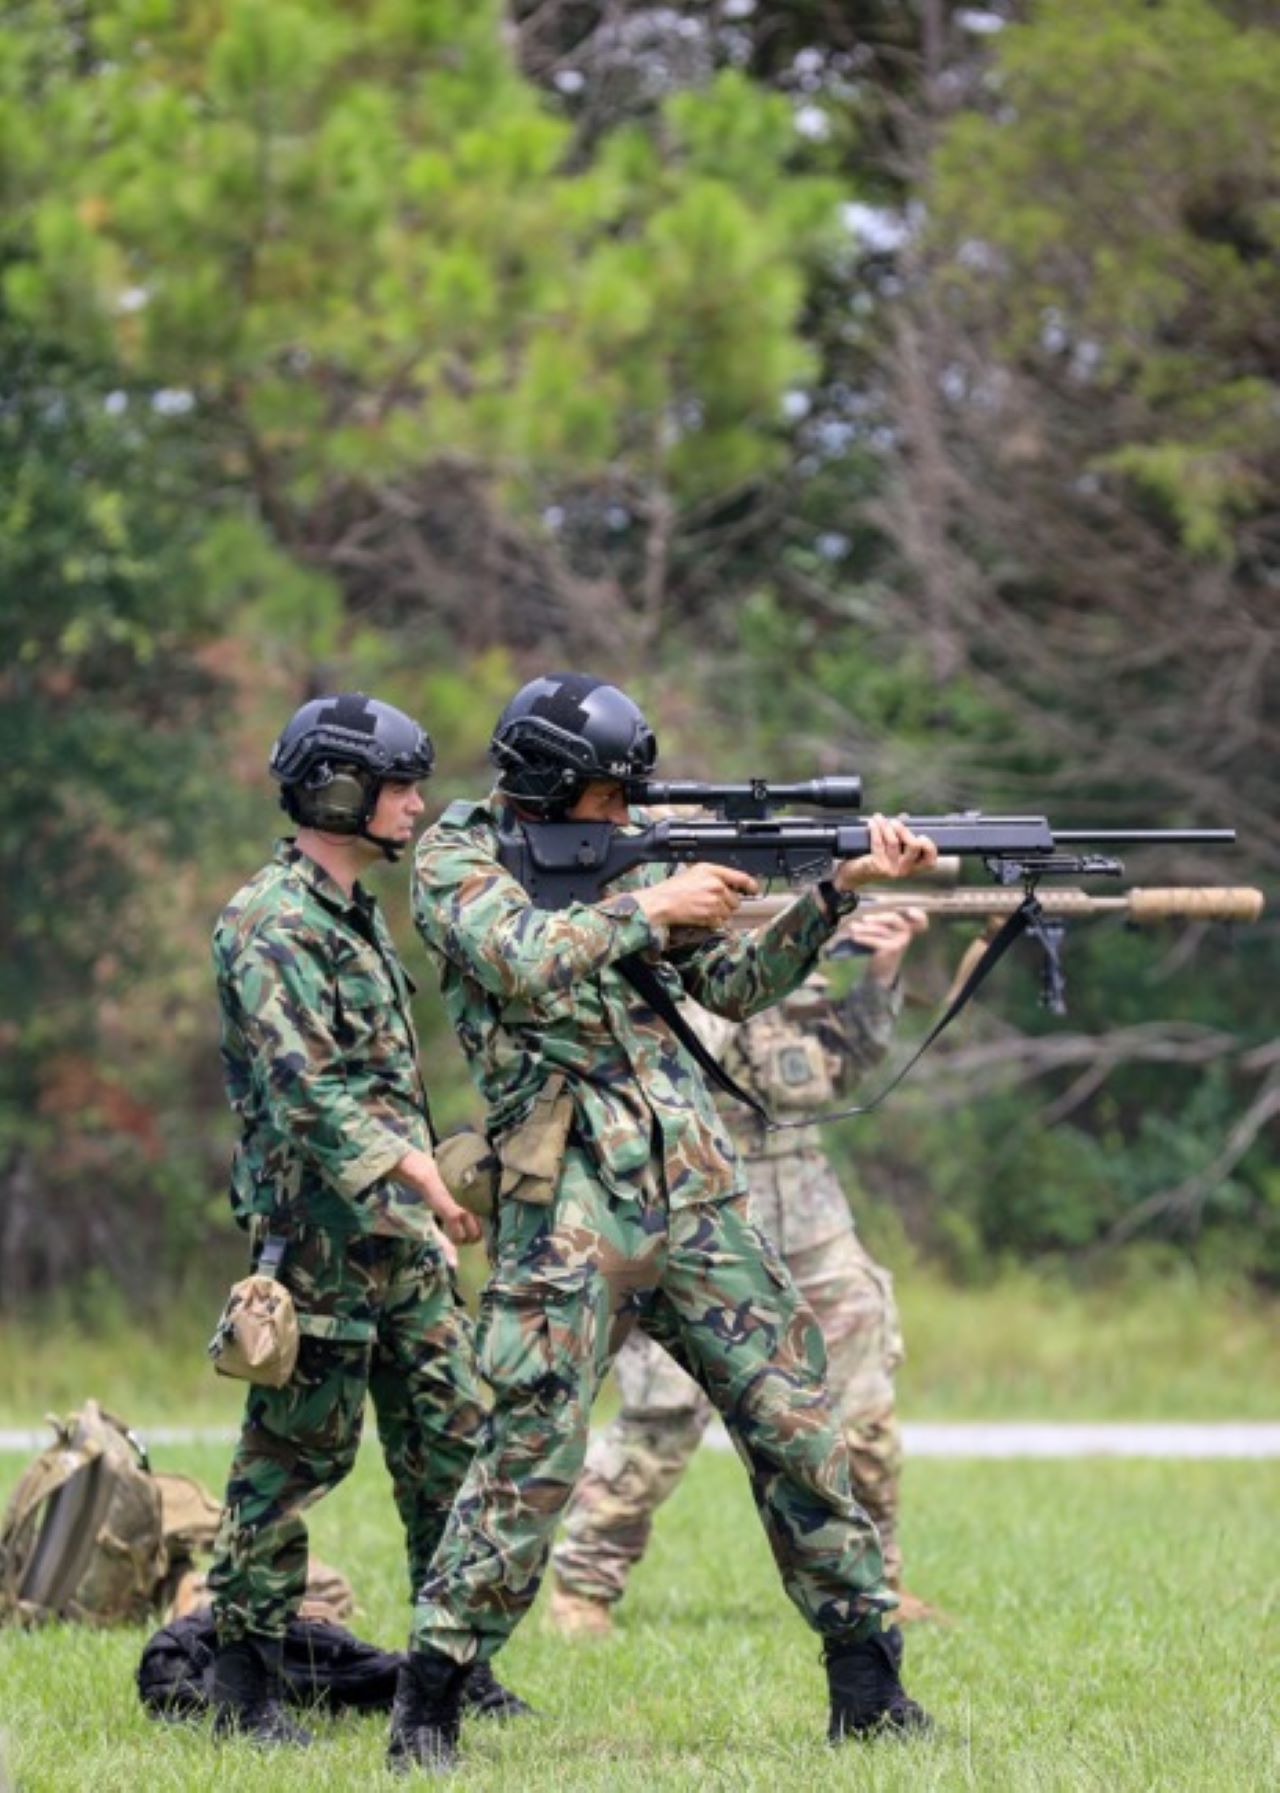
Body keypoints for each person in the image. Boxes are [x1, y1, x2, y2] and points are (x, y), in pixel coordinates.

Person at [394, 672, 939, 1772]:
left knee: (796, 1417)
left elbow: (733, 986)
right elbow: (514, 956)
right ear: (548, 784)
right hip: (566, 1202)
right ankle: (431, 1700)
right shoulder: (455, 857)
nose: (623, 813)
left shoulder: (629, 855)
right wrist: (652, 901)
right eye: (605, 794)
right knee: (528, 1449)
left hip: (693, 1181)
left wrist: (829, 893)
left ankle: (868, 1684)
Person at [205, 692, 525, 1745]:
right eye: (398, 786)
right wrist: (421, 1182)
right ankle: (241, 1681)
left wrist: (430, 1201)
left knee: (450, 1444)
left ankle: (452, 1667)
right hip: (322, 1247)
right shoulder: (269, 919)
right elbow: (308, 1094)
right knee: (291, 1461)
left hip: (402, 1240)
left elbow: (380, 1092)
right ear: (337, 790)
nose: (417, 803)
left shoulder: (350, 918)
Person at [548, 907, 940, 1638]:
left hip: (810, 1211)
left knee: (861, 1410)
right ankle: (584, 1586)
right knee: (664, 1415)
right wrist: (725, 964)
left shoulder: (792, 953)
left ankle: (878, 1580)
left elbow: (836, 1066)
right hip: (701, 1200)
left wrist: (880, 974)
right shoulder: (649, 950)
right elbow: (670, 1058)